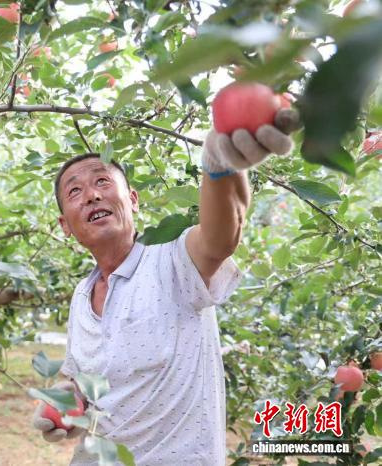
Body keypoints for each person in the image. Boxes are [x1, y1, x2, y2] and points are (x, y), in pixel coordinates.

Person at [31, 108, 299, 465]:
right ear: (65, 225)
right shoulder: (82, 296)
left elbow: (220, 237)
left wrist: (220, 161)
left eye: (103, 181)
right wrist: (68, 398)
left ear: (133, 200)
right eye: (75, 191)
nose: (91, 195)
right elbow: (86, 380)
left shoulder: (171, 261)